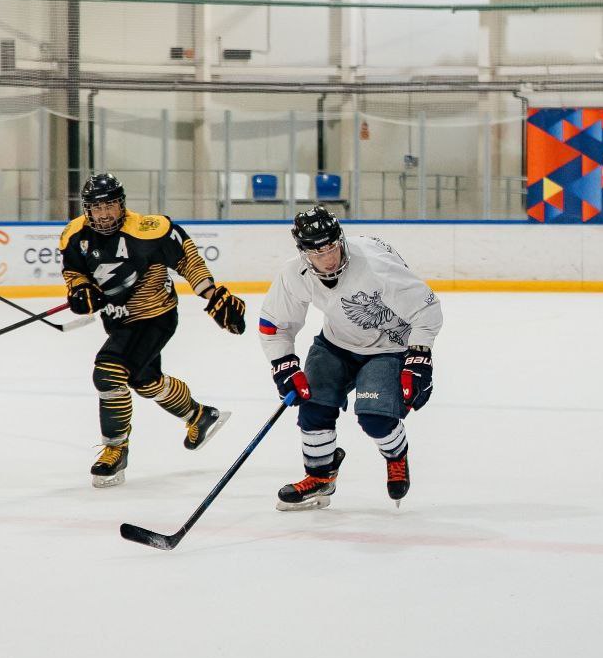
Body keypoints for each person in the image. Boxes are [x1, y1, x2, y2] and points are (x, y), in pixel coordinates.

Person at [59, 173, 245, 488]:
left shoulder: (149, 229)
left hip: (154, 317)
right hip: (118, 321)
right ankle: (199, 416)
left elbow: (188, 261)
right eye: (96, 208)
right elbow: (74, 271)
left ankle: (116, 450)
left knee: (108, 373)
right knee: (143, 381)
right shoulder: (74, 235)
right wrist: (80, 290)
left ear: (121, 204)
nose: (104, 214)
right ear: (86, 209)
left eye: (110, 206)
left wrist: (212, 294)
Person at [259, 206, 443, 511]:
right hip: (335, 344)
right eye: (318, 252)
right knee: (313, 404)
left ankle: (396, 455)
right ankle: (320, 477)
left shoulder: (375, 265)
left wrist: (419, 357)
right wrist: (284, 365)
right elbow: (274, 325)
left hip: (389, 347)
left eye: (332, 247)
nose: (328, 258)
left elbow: (426, 309)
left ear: (341, 239)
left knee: (376, 418)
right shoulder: (295, 274)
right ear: (304, 253)